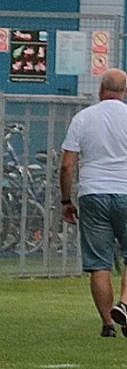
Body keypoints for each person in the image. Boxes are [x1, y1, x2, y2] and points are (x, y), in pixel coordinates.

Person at [59, 69, 127, 338]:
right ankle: (125, 304)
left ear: (100, 90)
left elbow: (67, 165)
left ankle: (108, 324)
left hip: (93, 193)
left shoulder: (83, 118)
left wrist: (66, 200)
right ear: (124, 91)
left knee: (99, 262)